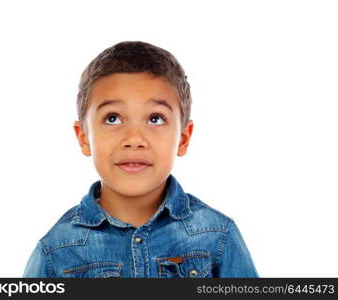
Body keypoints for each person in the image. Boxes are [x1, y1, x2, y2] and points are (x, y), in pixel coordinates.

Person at [23, 41, 259, 278]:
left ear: (183, 139)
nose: (134, 139)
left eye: (155, 119)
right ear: (84, 138)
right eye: (113, 118)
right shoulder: (56, 250)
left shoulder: (217, 236)